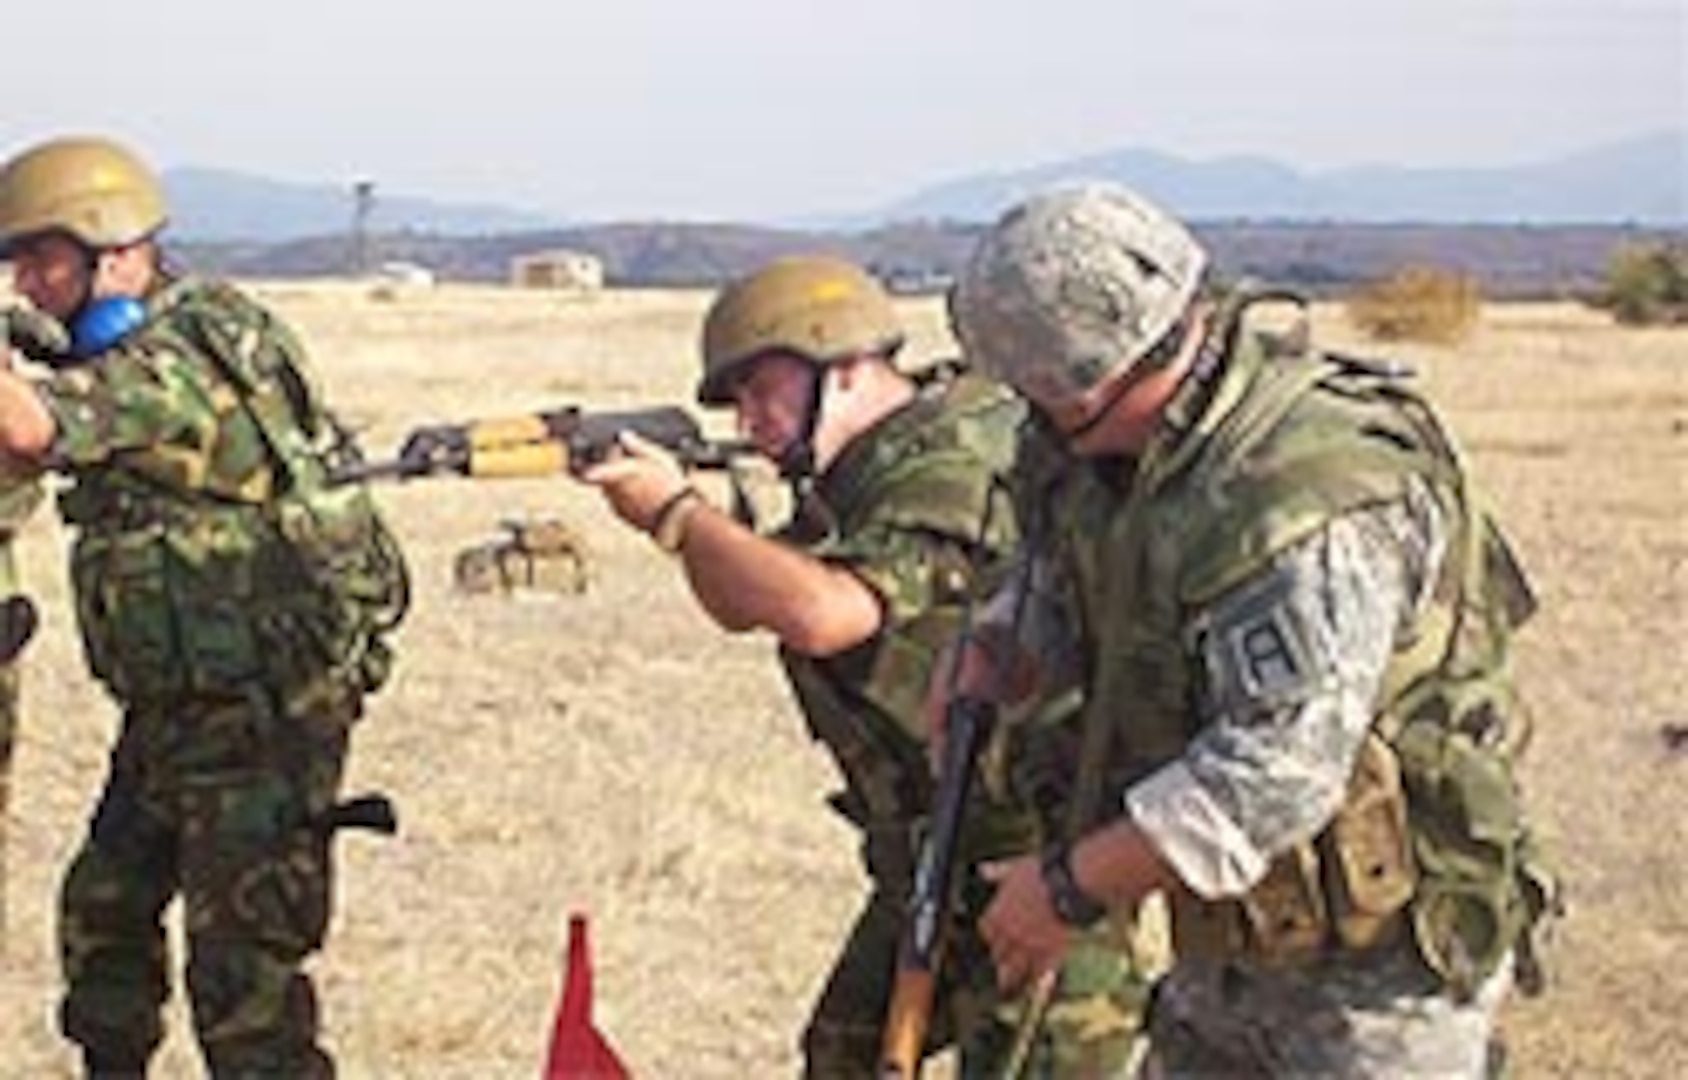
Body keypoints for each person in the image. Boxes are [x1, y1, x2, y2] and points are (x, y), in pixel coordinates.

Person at [939, 184, 1558, 1076]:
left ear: (1101, 373)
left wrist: (1068, 890)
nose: (1033, 422)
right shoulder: (1096, 448)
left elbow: (1276, 772)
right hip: (1232, 946)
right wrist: (1000, 646)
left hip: (1383, 973)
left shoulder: (1304, 495)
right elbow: (1059, 568)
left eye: (1041, 398)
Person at [577, 255, 1150, 1076]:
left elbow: (823, 612)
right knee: (846, 1056)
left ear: (840, 369)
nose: (747, 424)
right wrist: (683, 524)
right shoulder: (855, 474)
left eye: (758, 390)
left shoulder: (951, 464)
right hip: (935, 859)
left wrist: (676, 513)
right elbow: (745, 602)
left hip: (1034, 863)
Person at [0, 134, 408, 1077]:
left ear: (115, 252)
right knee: (104, 912)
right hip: (182, 702)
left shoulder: (173, 363)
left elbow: (32, 424)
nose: (26, 287)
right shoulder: (186, 329)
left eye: (42, 261)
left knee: (242, 986)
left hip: (261, 716)